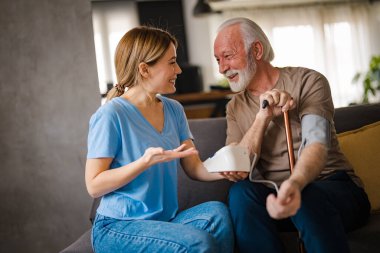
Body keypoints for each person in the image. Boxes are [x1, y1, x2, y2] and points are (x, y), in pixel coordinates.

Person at [214, 17, 371, 253]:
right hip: (274, 200)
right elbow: (239, 168)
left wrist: (294, 184)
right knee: (240, 193)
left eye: (228, 56)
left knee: (306, 195)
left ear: (256, 50)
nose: (222, 68)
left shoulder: (309, 81)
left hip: (332, 190)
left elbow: (316, 145)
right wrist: (263, 115)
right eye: (218, 60)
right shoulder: (235, 107)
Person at [85, 26, 234, 253]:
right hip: (117, 227)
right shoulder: (111, 115)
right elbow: (94, 185)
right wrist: (144, 162)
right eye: (171, 62)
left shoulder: (174, 109)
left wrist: (227, 167)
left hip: (162, 221)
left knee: (217, 213)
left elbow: (194, 168)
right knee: (198, 242)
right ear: (145, 69)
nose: (178, 70)